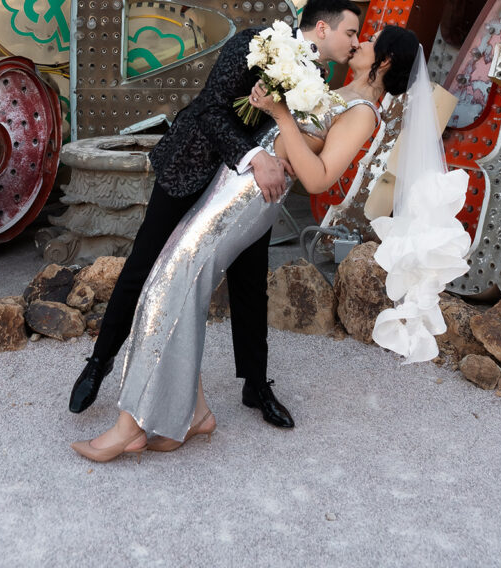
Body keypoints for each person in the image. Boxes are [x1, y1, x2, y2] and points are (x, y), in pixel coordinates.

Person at [71, 24, 419, 462]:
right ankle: (193, 412)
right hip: (236, 178)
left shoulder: (366, 111)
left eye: (370, 41)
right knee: (177, 282)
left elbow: (317, 177)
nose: (360, 42)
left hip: (254, 195)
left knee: (170, 282)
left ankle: (129, 424)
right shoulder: (337, 88)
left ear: (384, 61)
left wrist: (280, 115)